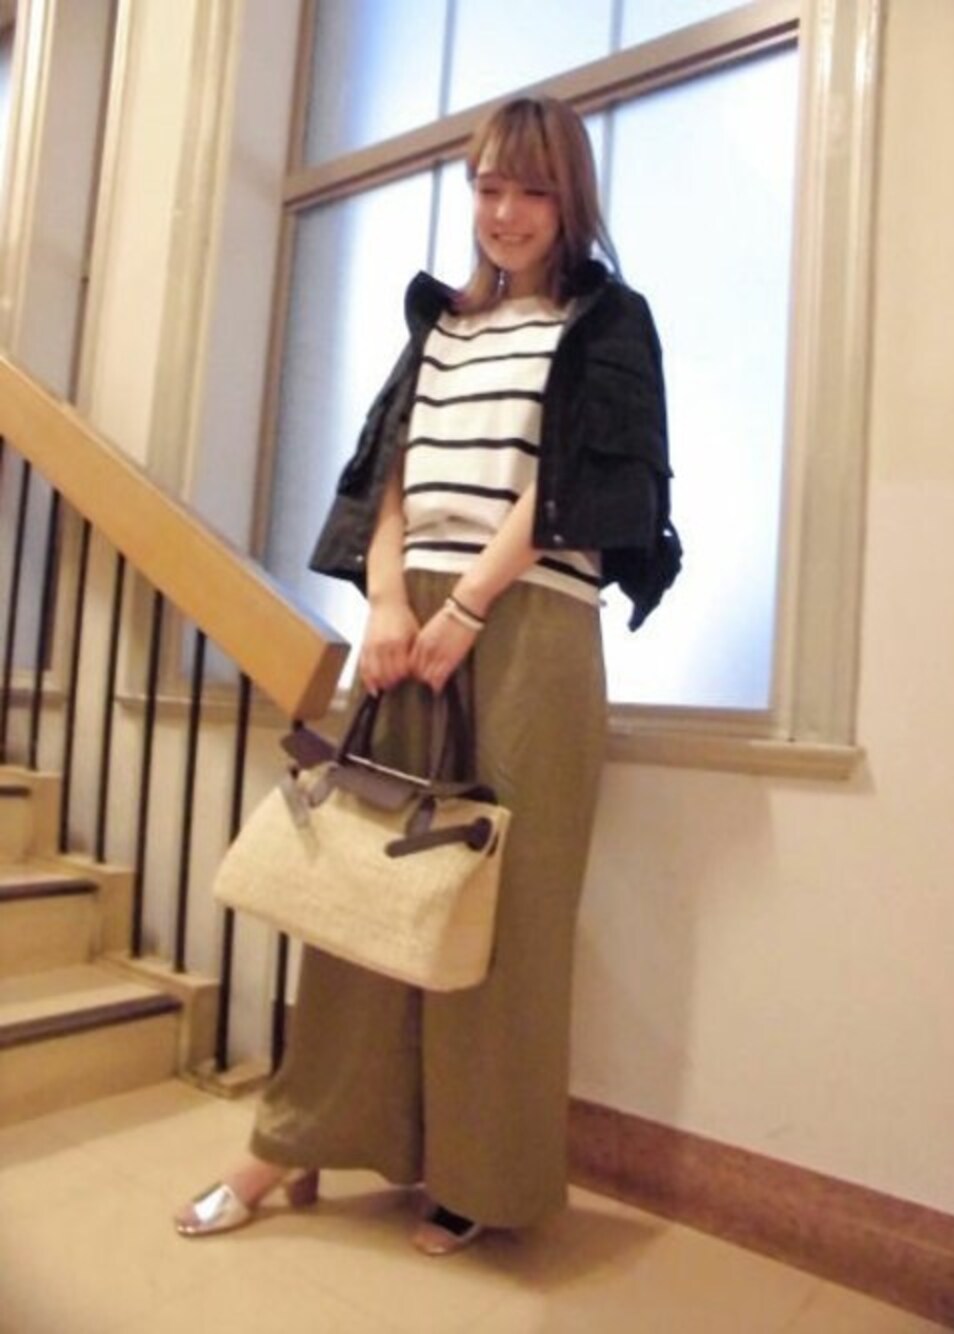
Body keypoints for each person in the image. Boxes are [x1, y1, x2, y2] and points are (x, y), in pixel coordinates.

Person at [175, 94, 681, 1256]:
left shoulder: (605, 322)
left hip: (535, 620)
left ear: (570, 197)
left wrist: (467, 603)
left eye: (532, 189)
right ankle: (291, 1139)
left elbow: (574, 479)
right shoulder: (441, 326)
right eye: (488, 187)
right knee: (359, 887)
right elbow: (390, 476)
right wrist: (391, 599)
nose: (506, 212)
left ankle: (475, 1172)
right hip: (411, 619)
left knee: (509, 910)